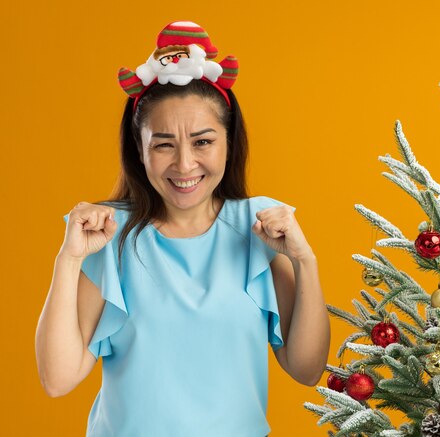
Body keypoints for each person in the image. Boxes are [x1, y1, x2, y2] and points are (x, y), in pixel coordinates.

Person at [35, 21, 330, 436]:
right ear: (140, 151)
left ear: (230, 142)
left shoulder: (260, 228)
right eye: (163, 144)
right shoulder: (109, 234)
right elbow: (57, 379)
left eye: (203, 141)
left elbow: (307, 368)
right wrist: (68, 259)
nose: (185, 164)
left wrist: (305, 261)